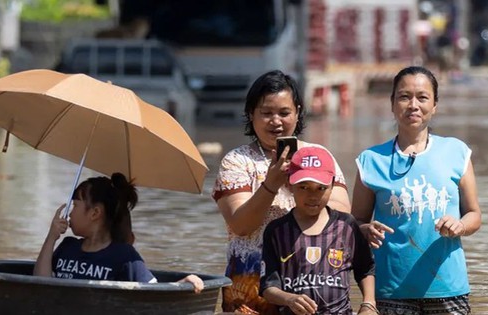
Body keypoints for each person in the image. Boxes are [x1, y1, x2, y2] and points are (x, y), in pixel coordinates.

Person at [212, 70, 351, 314]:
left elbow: (342, 218)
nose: (276, 121)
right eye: (266, 113)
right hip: (250, 282)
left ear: (297, 112)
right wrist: (271, 184)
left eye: (284, 113)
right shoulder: (236, 161)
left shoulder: (319, 156)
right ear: (251, 115)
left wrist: (301, 186)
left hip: (309, 281)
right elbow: (241, 225)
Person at [351, 66, 481, 314]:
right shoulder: (370, 160)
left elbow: (475, 214)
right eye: (404, 96)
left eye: (422, 97)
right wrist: (364, 230)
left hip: (448, 288)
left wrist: (460, 226)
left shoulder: (457, 152)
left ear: (435, 105)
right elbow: (355, 221)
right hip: (391, 290)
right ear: (392, 104)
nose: (413, 105)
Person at [33, 172, 204, 292]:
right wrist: (51, 237)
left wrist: (184, 283)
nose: (69, 213)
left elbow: (155, 294)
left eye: (75, 205)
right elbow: (40, 287)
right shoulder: (67, 247)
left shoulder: (124, 256)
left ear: (95, 213)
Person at [260, 147, 378, 315]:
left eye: (321, 188)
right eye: (303, 187)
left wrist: (368, 304)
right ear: (289, 184)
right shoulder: (276, 231)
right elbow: (268, 287)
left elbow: (365, 268)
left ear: (332, 185)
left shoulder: (347, 225)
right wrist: (288, 299)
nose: (312, 196)